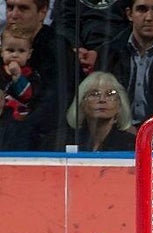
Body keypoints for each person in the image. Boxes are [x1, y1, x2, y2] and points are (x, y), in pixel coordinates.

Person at [5, 0, 75, 150]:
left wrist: (21, 126)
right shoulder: (4, 49)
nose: (13, 15)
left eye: (23, 8)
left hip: (44, 137)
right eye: (10, 7)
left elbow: (56, 105)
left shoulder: (57, 49)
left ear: (42, 12)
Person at [63, 71, 136, 151]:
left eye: (110, 94)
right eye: (94, 94)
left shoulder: (133, 145)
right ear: (81, 104)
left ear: (120, 106)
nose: (102, 100)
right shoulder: (62, 141)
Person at [0, 24, 41, 149]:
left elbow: (28, 96)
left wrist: (18, 77)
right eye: (10, 50)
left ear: (29, 54)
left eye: (21, 51)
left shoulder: (32, 75)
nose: (15, 55)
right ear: (1, 51)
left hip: (18, 124)